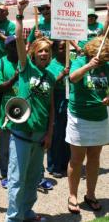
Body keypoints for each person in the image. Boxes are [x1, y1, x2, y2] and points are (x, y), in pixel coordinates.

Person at [6, 0, 55, 222]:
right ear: (33, 54)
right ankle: (13, 218)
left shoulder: (51, 76)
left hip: (39, 136)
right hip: (21, 135)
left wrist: (49, 134)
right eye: (41, 51)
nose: (44, 54)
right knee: (17, 179)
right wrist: (18, 14)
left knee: (33, 177)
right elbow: (18, 39)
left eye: (47, 51)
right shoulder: (26, 68)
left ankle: (26, 212)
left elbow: (51, 107)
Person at [66, 36, 109, 214]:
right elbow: (73, 78)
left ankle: (90, 194)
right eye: (103, 58)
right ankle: (72, 195)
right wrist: (88, 66)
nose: (104, 61)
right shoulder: (79, 61)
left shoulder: (106, 65)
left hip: (99, 117)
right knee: (77, 160)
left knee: (94, 157)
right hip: (79, 118)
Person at [0, 35, 19, 188]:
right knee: (5, 146)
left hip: (24, 111)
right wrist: (13, 79)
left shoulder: (26, 62)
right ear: (6, 47)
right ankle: (5, 173)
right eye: (12, 45)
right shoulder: (0, 63)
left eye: (18, 44)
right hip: (5, 113)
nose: (15, 47)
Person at [47, 40, 70, 178]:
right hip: (56, 99)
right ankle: (53, 165)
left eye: (66, 47)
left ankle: (65, 163)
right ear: (55, 50)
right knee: (56, 134)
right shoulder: (51, 66)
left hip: (70, 100)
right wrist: (62, 74)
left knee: (68, 135)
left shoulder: (71, 62)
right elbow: (48, 84)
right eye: (61, 48)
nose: (64, 50)